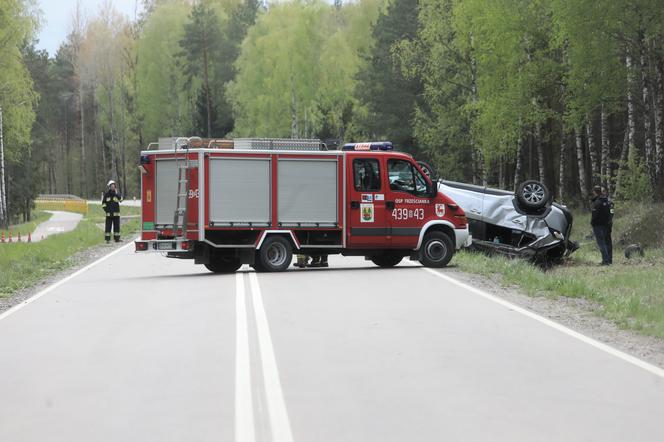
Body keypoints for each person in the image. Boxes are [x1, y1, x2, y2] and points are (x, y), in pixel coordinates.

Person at [590, 185, 612, 265]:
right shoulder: (606, 201)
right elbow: (609, 213)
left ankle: (606, 260)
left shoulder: (597, 203)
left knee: (601, 243)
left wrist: (592, 222)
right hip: (606, 224)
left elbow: (594, 215)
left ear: (594, 192)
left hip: (598, 225)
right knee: (606, 242)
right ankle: (608, 259)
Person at [601, 185, 614, 265]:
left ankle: (609, 259)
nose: (601, 193)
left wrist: (608, 221)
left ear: (605, 192)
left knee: (607, 242)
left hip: (607, 224)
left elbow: (612, 213)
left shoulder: (609, 202)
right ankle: (605, 259)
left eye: (603, 191)